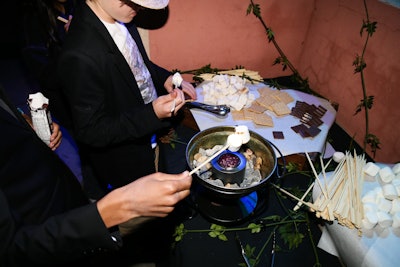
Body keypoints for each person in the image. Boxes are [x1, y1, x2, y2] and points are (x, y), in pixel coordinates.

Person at [0, 84, 192, 266]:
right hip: (43, 232)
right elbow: (11, 252)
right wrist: (115, 209)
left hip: (60, 190)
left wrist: (23, 120)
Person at [57, 0, 197, 196]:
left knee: (161, 175)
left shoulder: (121, 15)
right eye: (132, 0)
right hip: (126, 155)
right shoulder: (79, 54)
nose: (140, 7)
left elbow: (135, 63)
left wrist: (163, 77)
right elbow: (92, 131)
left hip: (149, 135)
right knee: (148, 211)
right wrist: (152, 114)